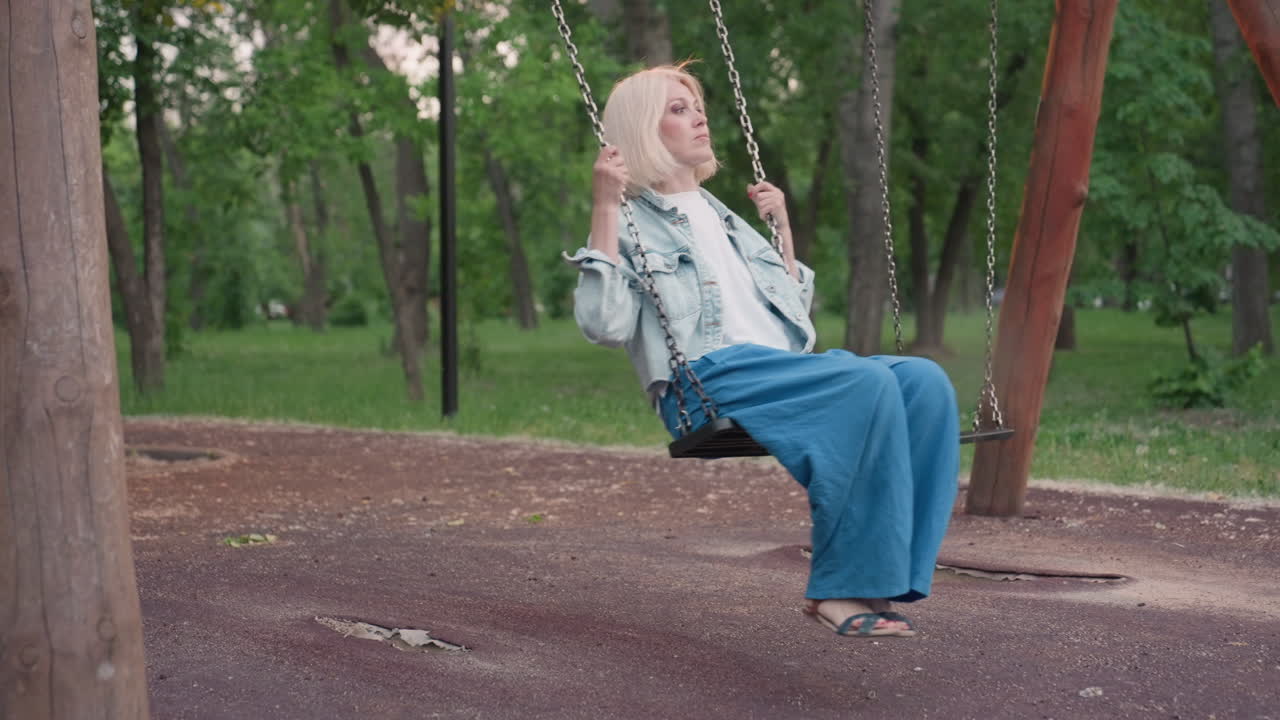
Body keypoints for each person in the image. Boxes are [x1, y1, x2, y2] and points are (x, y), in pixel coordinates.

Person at [563, 64, 960, 638]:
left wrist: (784, 234)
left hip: (781, 369)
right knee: (867, 384)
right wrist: (605, 205)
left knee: (923, 382)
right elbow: (605, 325)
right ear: (643, 130)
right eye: (678, 109)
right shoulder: (630, 223)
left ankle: (884, 578)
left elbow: (793, 317)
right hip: (710, 379)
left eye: (698, 106)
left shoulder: (724, 217)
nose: (699, 117)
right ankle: (840, 587)